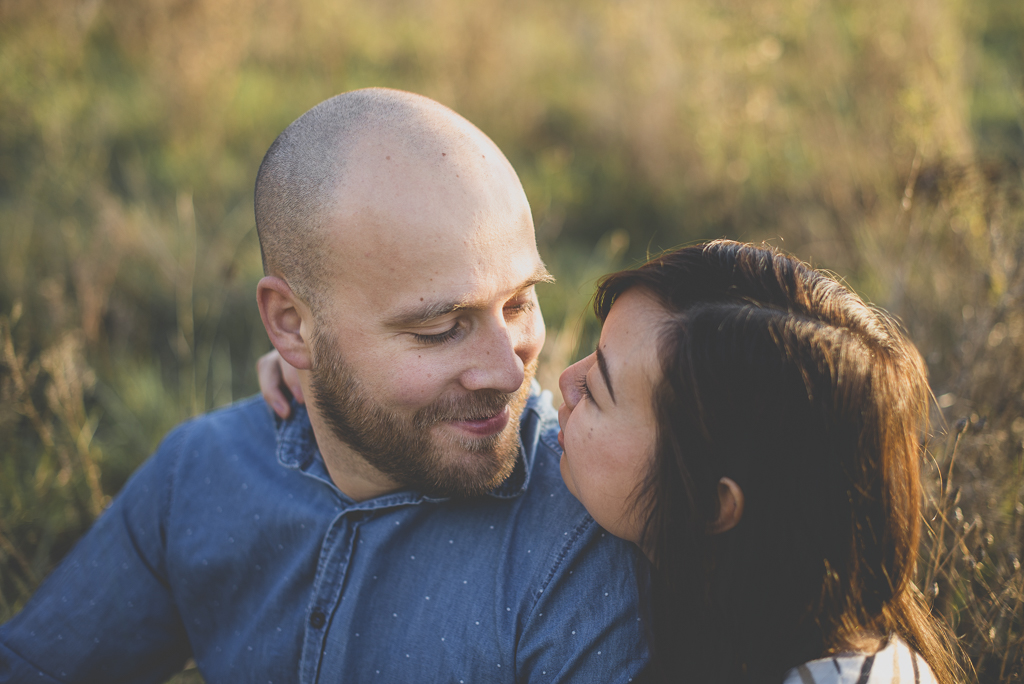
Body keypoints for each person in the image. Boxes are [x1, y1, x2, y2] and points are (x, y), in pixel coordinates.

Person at [0, 89, 648, 683]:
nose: (509, 372)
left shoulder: (580, 534)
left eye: (517, 304)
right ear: (291, 327)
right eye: (439, 328)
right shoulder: (203, 476)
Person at [262, 240, 963, 683]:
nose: (558, 382)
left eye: (597, 388)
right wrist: (341, 369)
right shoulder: (744, 582)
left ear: (713, 503)